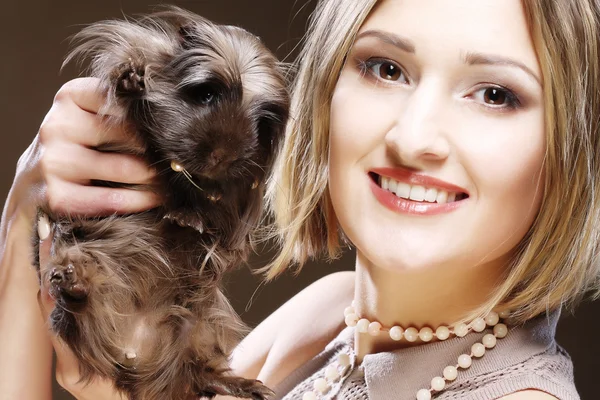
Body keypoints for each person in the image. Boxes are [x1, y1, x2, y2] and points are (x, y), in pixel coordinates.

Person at [1, 0, 598, 398]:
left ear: (573, 148)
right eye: (386, 68)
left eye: (495, 93)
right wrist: (29, 212)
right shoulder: (330, 320)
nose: (413, 138)